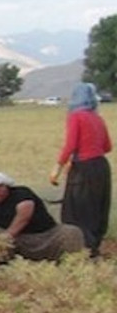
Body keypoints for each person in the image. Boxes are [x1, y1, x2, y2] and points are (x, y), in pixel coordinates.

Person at [52, 82, 112, 257]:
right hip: (101, 166)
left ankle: (79, 252)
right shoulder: (97, 118)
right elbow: (107, 146)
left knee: (77, 211)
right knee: (97, 209)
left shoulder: (75, 116)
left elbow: (70, 144)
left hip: (83, 168)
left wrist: (58, 166)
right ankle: (94, 248)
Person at [0, 172, 85, 263]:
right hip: (21, 240)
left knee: (72, 232)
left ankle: (71, 264)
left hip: (49, 235)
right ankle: (9, 269)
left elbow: (24, 215)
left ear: (3, 187)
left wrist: (8, 235)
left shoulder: (21, 193)